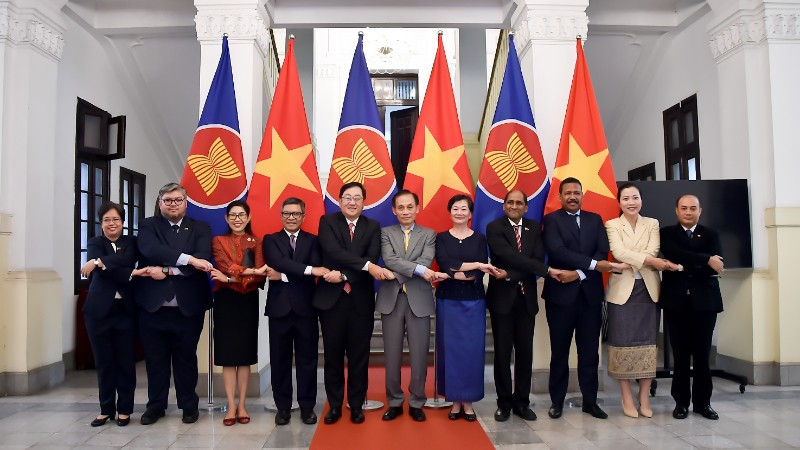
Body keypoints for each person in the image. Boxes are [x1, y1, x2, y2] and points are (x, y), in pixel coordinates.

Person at [542, 177, 621, 420]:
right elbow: (557, 251)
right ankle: (557, 401)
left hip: (590, 297)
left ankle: (590, 401)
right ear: (560, 196)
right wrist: (592, 265)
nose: (572, 197)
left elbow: (601, 251)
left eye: (576, 193)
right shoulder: (551, 220)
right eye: (568, 193)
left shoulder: (595, 219)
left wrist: (578, 273)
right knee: (559, 352)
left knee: (589, 353)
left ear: (582, 195)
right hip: (560, 297)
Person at [135, 182, 214, 425]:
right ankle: (156, 406)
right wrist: (188, 259)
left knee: (186, 358)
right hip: (153, 307)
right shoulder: (148, 225)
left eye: (178, 200)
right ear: (160, 203)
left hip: (188, 306)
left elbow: (204, 259)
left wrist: (168, 270)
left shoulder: (200, 227)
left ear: (185, 203)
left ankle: (189, 405)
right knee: (155, 359)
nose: (173, 204)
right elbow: (150, 250)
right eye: (168, 200)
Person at [314, 181, 386, 424]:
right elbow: (332, 252)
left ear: (364, 202)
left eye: (357, 198)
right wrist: (365, 265)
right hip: (331, 302)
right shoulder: (327, 222)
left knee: (359, 357)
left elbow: (372, 256)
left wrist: (344, 275)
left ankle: (356, 405)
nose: (352, 202)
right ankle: (334, 406)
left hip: (360, 301)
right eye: (347, 197)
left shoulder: (373, 226)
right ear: (339, 200)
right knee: (332, 356)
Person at [605, 182, 677, 418]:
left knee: (648, 344)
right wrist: (651, 262)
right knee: (622, 344)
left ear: (641, 200)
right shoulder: (612, 224)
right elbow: (618, 252)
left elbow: (653, 250)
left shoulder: (652, 223)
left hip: (648, 290)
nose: (631, 202)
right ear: (619, 202)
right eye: (626, 198)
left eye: (635, 197)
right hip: (621, 292)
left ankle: (644, 397)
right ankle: (626, 396)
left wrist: (637, 261)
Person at [377, 190, 446, 423]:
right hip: (392, 300)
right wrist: (419, 271)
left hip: (419, 300)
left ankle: (417, 401)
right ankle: (395, 401)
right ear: (394, 210)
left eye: (410, 207)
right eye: (401, 207)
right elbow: (390, 260)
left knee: (419, 355)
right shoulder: (385, 233)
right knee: (392, 355)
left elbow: (426, 261)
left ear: (417, 208)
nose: (405, 211)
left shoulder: (429, 234)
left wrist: (397, 273)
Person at [486, 189, 554, 422]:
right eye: (510, 202)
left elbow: (537, 259)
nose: (514, 206)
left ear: (526, 207)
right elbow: (508, 256)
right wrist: (539, 270)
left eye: (519, 203)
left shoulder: (534, 228)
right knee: (502, 354)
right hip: (502, 301)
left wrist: (511, 274)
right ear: (504, 205)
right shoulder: (494, 228)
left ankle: (522, 403)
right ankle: (504, 403)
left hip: (527, 301)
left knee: (525, 353)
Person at [262, 197, 329, 426]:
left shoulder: (313, 241)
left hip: (306, 308)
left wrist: (281, 275)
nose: (291, 217)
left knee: (307, 359)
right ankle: (283, 407)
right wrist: (307, 271)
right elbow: (278, 261)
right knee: (279, 359)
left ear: (303, 216)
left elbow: (316, 267)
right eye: (287, 213)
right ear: (281, 215)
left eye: (296, 214)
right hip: (279, 309)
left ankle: (307, 407)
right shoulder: (271, 240)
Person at [80, 201, 148, 427]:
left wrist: (99, 262)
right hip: (98, 311)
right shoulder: (94, 242)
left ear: (122, 222)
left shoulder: (131, 242)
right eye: (107, 220)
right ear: (101, 223)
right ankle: (105, 409)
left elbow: (126, 260)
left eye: (116, 219)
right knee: (104, 362)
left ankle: (125, 409)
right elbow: (114, 270)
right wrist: (131, 273)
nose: (112, 223)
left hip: (125, 310)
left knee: (125, 362)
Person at [659, 194, 724, 421]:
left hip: (705, 303)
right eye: (684, 208)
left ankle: (703, 403)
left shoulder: (711, 234)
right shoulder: (667, 233)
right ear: (676, 211)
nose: (688, 212)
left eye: (693, 208)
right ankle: (681, 403)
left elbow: (715, 267)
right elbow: (673, 253)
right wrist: (705, 259)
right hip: (676, 302)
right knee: (680, 354)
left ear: (700, 210)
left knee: (702, 354)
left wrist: (685, 265)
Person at [435, 194, 494, 421]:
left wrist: (457, 272)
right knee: (450, 351)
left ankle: (468, 402)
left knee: (471, 352)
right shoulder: (441, 238)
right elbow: (445, 263)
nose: (459, 212)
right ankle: (455, 401)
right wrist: (474, 266)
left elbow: (475, 274)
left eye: (464, 209)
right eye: (455, 208)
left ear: (470, 214)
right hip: (447, 301)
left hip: (473, 302)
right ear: (449, 212)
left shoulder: (479, 239)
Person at [208, 200, 266, 426]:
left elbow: (258, 276)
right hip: (225, 301)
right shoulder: (218, 241)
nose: (237, 219)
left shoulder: (257, 242)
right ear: (226, 218)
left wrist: (230, 278)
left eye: (241, 215)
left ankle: (242, 404)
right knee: (228, 355)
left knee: (244, 355)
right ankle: (231, 405)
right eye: (232, 215)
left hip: (248, 301)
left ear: (248, 217)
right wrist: (243, 273)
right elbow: (223, 265)